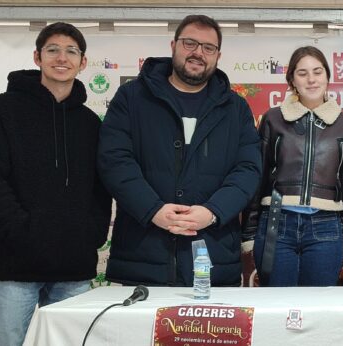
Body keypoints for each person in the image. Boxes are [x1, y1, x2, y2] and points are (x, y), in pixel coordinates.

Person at [0, 22, 111, 346]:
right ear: (37, 57)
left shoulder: (89, 123)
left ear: (83, 62)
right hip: (12, 263)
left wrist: (90, 236)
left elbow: (100, 191)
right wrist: (24, 233)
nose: (62, 58)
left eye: (71, 51)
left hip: (73, 267)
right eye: (53, 50)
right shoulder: (1, 110)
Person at [98, 15, 262, 286]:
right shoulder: (132, 97)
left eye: (208, 47)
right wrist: (152, 210)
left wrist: (212, 212)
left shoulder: (236, 108)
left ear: (218, 55)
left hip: (213, 260)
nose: (198, 52)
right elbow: (114, 161)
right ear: (173, 45)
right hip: (142, 258)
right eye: (190, 43)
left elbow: (248, 169)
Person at [246, 46, 343, 286]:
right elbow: (257, 177)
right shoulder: (273, 119)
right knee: (277, 305)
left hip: (326, 226)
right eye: (302, 73)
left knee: (318, 309)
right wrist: (249, 232)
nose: (311, 79)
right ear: (292, 80)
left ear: (328, 76)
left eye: (317, 72)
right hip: (277, 222)